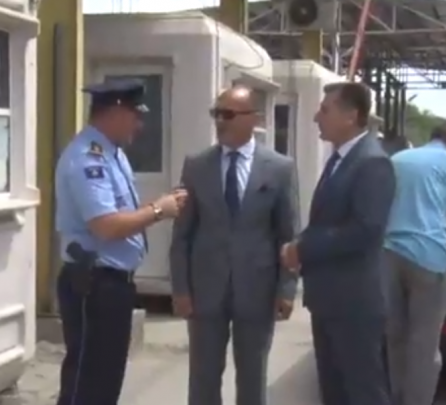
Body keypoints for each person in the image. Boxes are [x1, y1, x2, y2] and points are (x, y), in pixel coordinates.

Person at [54, 78, 188, 405]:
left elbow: (122, 213)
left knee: (105, 382)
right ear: (114, 112)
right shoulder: (88, 158)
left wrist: (159, 204)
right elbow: (106, 225)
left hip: (113, 284)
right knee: (88, 384)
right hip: (93, 284)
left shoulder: (114, 154)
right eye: (135, 115)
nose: (139, 125)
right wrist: (159, 210)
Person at [169, 86, 299, 405]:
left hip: (257, 290)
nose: (220, 122)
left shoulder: (279, 168)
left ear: (253, 118)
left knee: (252, 377)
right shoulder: (197, 165)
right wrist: (181, 289)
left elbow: (288, 235)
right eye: (216, 114)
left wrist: (286, 289)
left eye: (227, 115)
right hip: (205, 291)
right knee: (203, 377)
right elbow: (182, 234)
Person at [280, 81, 395, 405]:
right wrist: (300, 242)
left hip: (354, 303)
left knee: (363, 392)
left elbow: (365, 230)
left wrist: (303, 248)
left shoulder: (372, 162)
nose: (317, 117)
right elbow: (327, 221)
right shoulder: (340, 160)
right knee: (335, 393)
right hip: (330, 300)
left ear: (351, 116)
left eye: (325, 110)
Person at [383, 120, 446, 405]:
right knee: (424, 344)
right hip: (430, 258)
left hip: (388, 255)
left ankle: (396, 397)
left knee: (394, 336)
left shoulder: (397, 159)